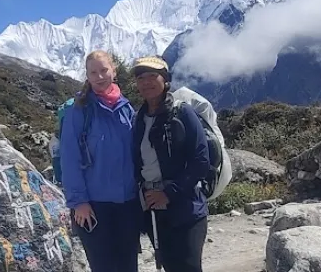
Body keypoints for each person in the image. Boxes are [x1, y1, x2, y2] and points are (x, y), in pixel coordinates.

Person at [58, 49, 141, 272]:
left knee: (128, 266)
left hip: (127, 203)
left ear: (114, 71)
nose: (100, 76)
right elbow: (69, 158)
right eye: (93, 72)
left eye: (104, 70)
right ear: (87, 75)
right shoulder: (79, 111)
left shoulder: (126, 109)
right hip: (94, 206)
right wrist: (79, 202)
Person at [130, 56, 210, 272]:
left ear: (165, 80)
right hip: (154, 210)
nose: (146, 82)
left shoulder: (182, 112)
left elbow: (201, 160)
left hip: (186, 209)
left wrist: (168, 192)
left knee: (189, 267)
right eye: (141, 78)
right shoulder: (138, 118)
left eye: (152, 76)